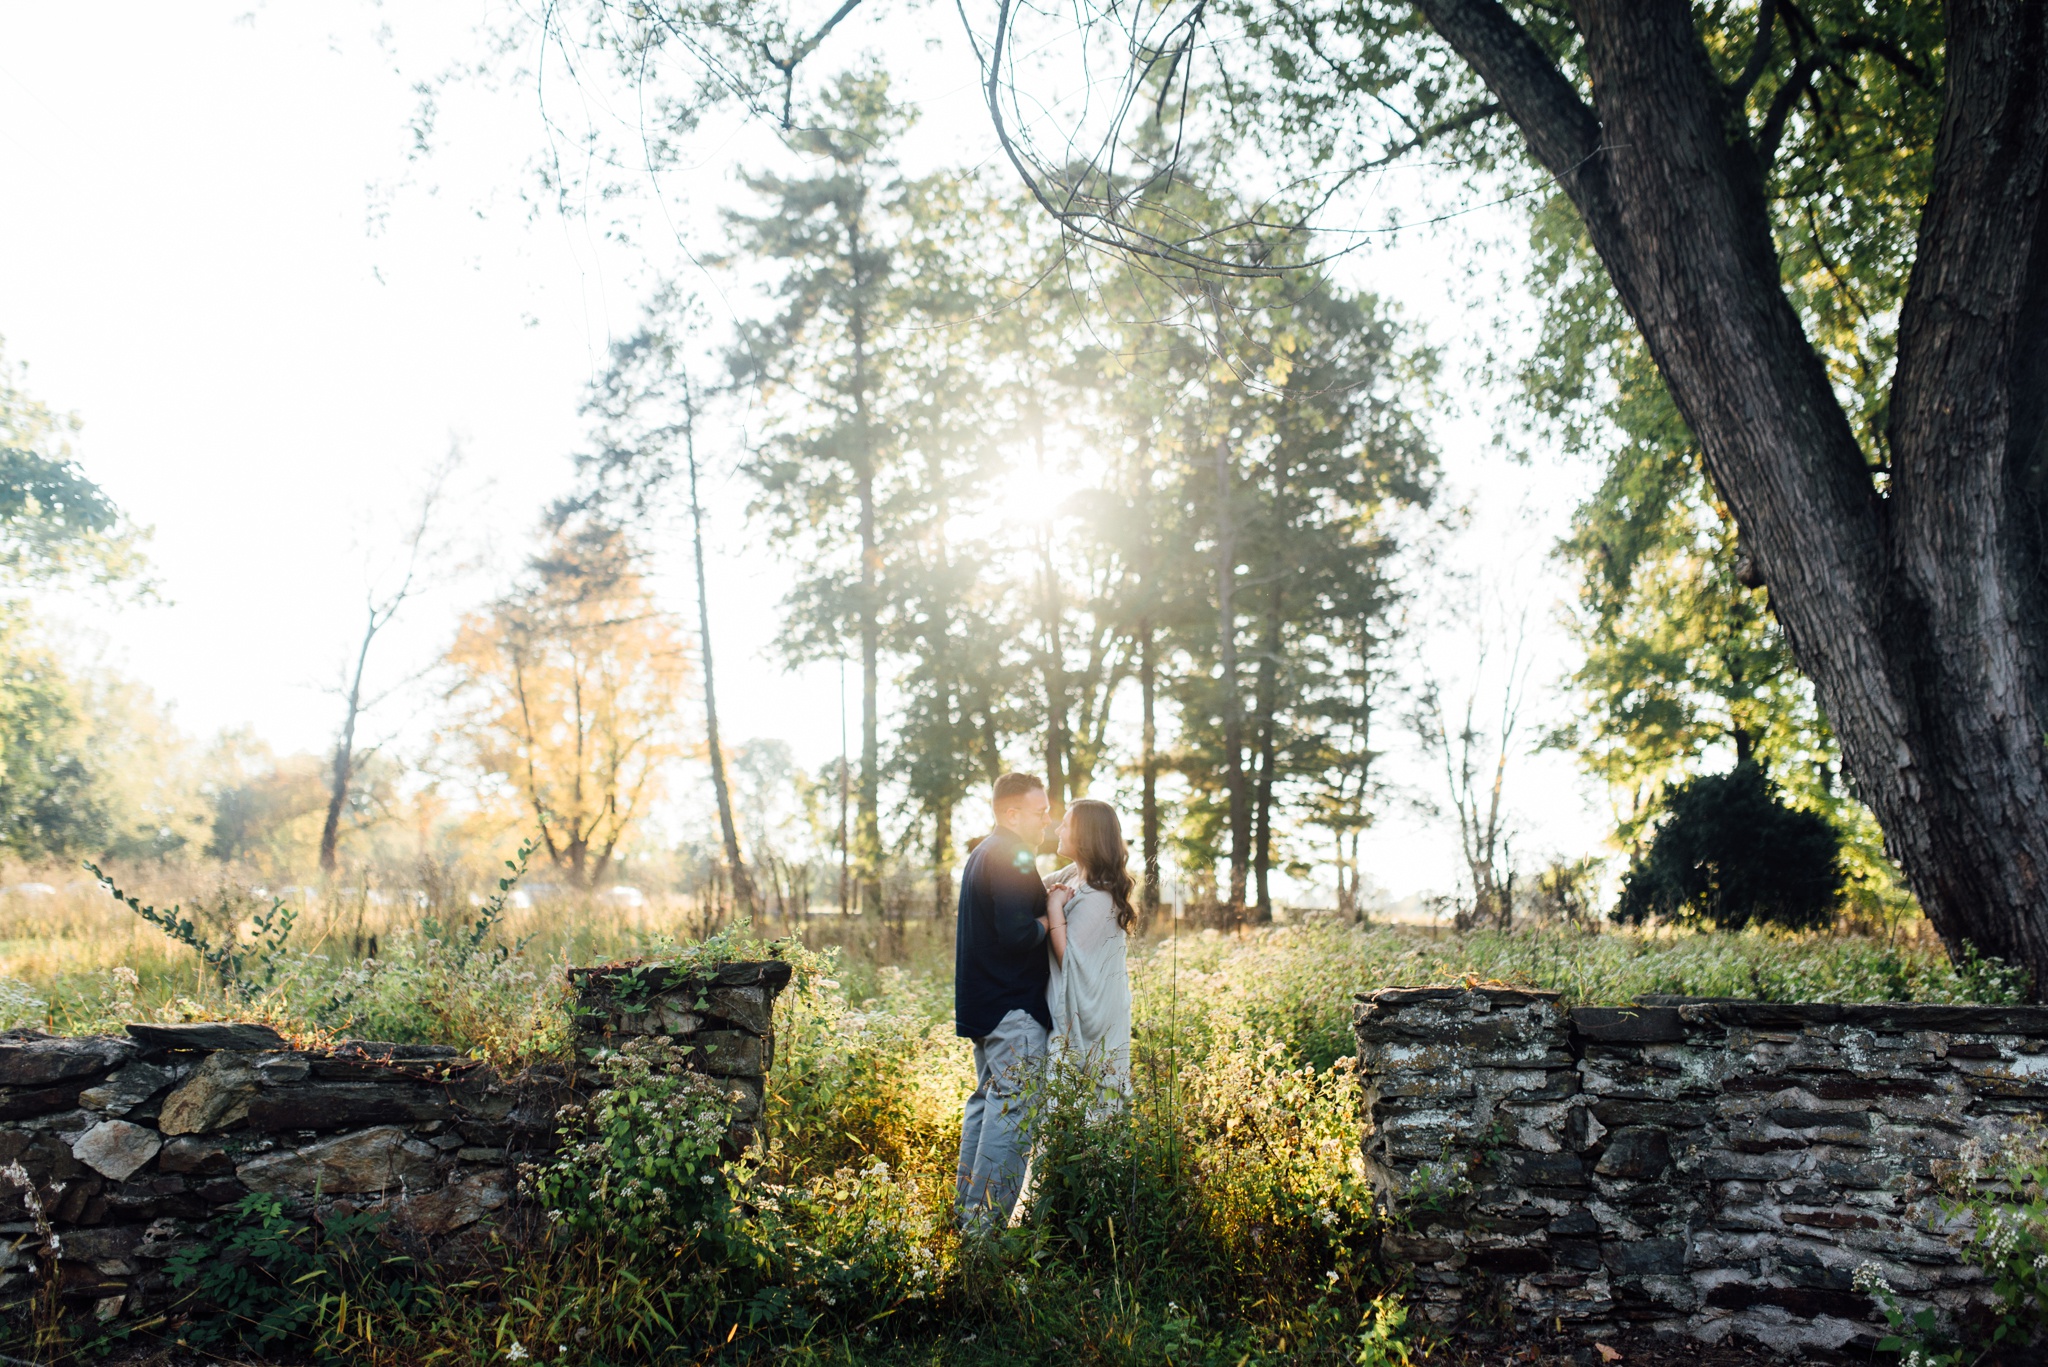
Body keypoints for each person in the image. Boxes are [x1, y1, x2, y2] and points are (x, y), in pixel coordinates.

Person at [953, 771, 1052, 1230]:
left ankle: (967, 1217)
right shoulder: (1012, 855)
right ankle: (984, 1232)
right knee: (1015, 1110)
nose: (1047, 819)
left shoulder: (982, 853)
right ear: (1012, 813)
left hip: (986, 1005)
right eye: (1040, 811)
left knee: (987, 1103)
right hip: (1013, 1008)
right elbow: (1017, 933)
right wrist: (1050, 920)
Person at [1043, 798, 1135, 1116]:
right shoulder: (1074, 875)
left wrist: (1055, 908)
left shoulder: (1098, 895)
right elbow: (1029, 884)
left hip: (1093, 1017)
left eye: (1065, 824)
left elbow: (1070, 958)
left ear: (1085, 835)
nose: (1057, 828)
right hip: (1069, 1008)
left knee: (1090, 1109)